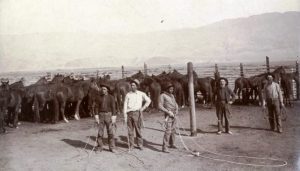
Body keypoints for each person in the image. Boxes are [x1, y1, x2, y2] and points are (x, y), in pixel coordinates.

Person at [123, 79, 151, 150]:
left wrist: (143, 108)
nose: (132, 86)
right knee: (130, 131)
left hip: (137, 113)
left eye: (134, 85)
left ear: (137, 86)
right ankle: (131, 145)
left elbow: (148, 101)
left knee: (138, 130)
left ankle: (140, 144)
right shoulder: (128, 95)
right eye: (131, 85)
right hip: (129, 113)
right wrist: (125, 115)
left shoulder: (141, 94)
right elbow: (125, 105)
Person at [94, 83, 117, 153]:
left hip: (109, 115)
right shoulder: (98, 97)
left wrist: (113, 117)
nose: (102, 90)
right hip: (101, 115)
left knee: (110, 132)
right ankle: (99, 147)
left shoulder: (111, 97)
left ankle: (112, 147)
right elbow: (96, 107)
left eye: (104, 89)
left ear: (107, 90)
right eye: (102, 89)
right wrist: (96, 116)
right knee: (100, 132)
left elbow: (113, 108)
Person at [158, 82, 178, 153]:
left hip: (174, 114)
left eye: (172, 89)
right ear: (167, 88)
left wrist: (177, 109)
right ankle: (165, 147)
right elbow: (160, 106)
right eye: (170, 88)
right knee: (168, 131)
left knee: (173, 130)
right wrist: (168, 112)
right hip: (168, 115)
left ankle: (172, 144)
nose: (172, 90)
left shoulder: (172, 95)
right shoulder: (162, 95)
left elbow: (175, 103)